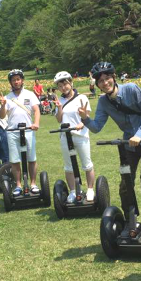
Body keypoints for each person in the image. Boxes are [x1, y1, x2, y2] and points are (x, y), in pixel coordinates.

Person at [78, 62, 141, 239]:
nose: (105, 83)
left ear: (114, 77)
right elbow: (97, 127)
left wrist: (139, 135)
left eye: (107, 78)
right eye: (100, 81)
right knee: (125, 186)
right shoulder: (103, 101)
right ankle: (131, 222)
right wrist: (85, 119)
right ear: (97, 84)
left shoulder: (131, 89)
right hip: (128, 143)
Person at [52, 71, 96, 203]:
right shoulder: (59, 100)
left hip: (80, 135)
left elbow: (86, 116)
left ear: (71, 83)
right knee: (68, 166)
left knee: (87, 164)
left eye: (65, 84)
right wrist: (59, 108)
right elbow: (59, 120)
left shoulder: (82, 98)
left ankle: (90, 189)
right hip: (65, 136)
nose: (63, 87)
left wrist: (81, 124)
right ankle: (72, 191)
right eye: (60, 86)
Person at [0, 69, 41, 196]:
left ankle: (33, 184)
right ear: (11, 82)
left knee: (31, 158)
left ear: (22, 80)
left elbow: (36, 110)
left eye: (18, 79)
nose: (16, 82)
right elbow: (1, 116)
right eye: (13, 80)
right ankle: (18, 185)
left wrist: (36, 123)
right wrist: (2, 105)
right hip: (13, 131)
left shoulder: (30, 94)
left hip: (28, 130)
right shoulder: (7, 98)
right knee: (15, 160)